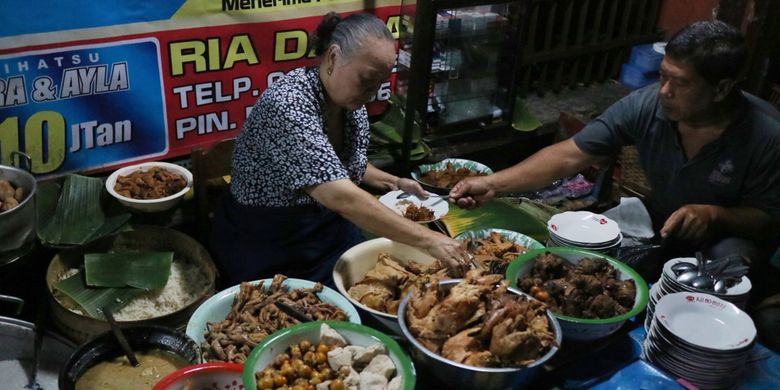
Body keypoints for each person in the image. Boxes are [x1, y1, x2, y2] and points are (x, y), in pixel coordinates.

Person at [449, 21, 780, 349]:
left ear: (721, 89)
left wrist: (714, 215)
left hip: (731, 241)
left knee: (719, 286)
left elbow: (768, 218)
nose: (664, 90)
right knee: (592, 273)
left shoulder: (766, 134)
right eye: (663, 75)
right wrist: (494, 184)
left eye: (679, 82)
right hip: (663, 223)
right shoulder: (649, 104)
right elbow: (569, 155)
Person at [210, 12, 470, 287]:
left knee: (400, 281)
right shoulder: (288, 105)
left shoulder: (349, 106)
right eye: (367, 80)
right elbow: (340, 195)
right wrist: (430, 240)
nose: (372, 93)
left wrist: (393, 182)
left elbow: (335, 163)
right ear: (333, 57)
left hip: (327, 231)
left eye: (379, 84)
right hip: (269, 243)